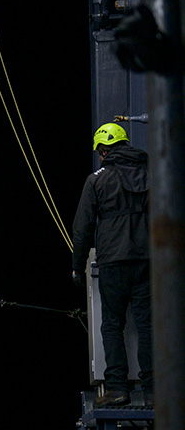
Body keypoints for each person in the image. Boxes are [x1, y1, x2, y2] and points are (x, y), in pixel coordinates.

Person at [72, 122, 153, 407]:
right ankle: (154, 391)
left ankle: (117, 388)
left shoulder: (96, 180)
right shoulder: (151, 174)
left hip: (113, 262)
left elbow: (82, 227)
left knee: (112, 325)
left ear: (104, 151)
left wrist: (77, 266)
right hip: (147, 261)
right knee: (148, 325)